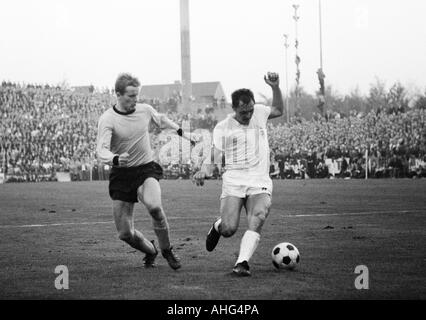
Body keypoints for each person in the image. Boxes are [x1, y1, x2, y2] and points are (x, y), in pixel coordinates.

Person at [96, 73, 195, 270]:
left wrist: (184, 133)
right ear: (118, 94)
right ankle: (151, 251)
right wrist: (115, 158)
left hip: (145, 169)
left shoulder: (144, 110)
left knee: (155, 207)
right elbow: (101, 150)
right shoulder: (108, 119)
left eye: (136, 95)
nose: (135, 100)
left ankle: (167, 250)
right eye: (130, 96)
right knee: (125, 234)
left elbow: (162, 120)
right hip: (121, 175)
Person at [193, 72, 284, 276]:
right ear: (234, 109)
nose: (248, 115)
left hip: (259, 180)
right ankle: (217, 226)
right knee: (229, 229)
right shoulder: (223, 127)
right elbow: (215, 154)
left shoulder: (259, 112)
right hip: (234, 181)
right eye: (244, 112)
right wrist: (203, 170)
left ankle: (242, 262)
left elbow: (278, 109)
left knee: (259, 215)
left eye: (251, 110)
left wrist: (275, 87)